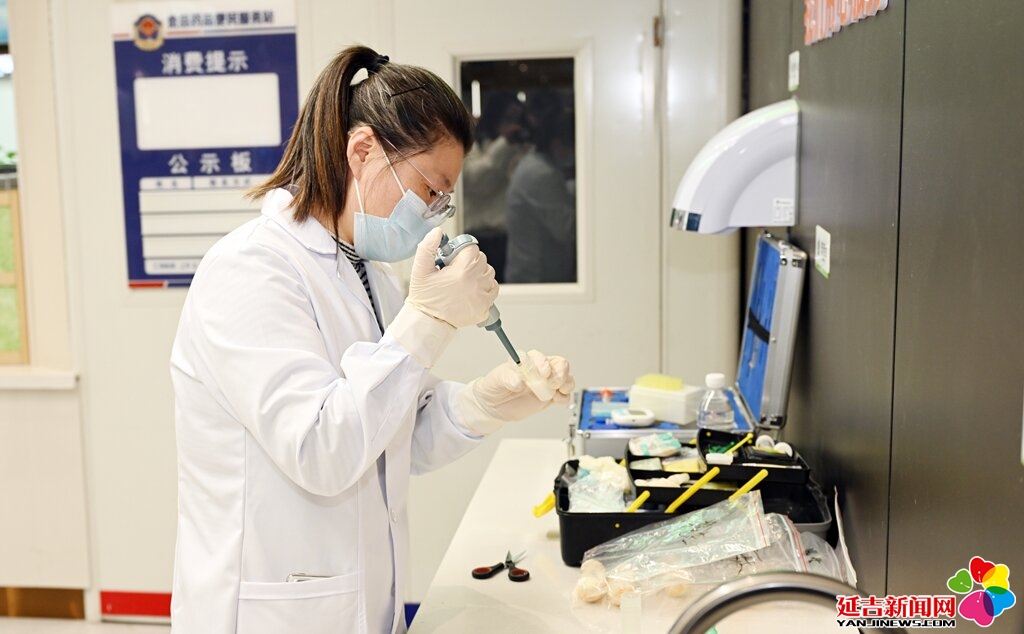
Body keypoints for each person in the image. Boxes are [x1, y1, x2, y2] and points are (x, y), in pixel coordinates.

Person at [169, 46, 574, 634]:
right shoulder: (250, 270)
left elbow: (393, 432)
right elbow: (322, 450)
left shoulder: (367, 272)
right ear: (362, 151)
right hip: (270, 611)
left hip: (359, 604)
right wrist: (429, 320)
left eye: (443, 200)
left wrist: (484, 403)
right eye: (431, 190)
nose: (435, 214)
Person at [504, 99, 577, 283]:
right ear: (557, 144)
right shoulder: (542, 174)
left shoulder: (536, 164)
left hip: (536, 272)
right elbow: (568, 229)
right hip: (537, 276)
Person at [461, 91, 529, 281]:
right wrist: (504, 144)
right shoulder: (472, 146)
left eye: (518, 120)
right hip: (480, 238)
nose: (513, 126)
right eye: (508, 119)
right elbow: (477, 183)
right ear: (495, 116)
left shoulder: (520, 148)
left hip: (511, 238)